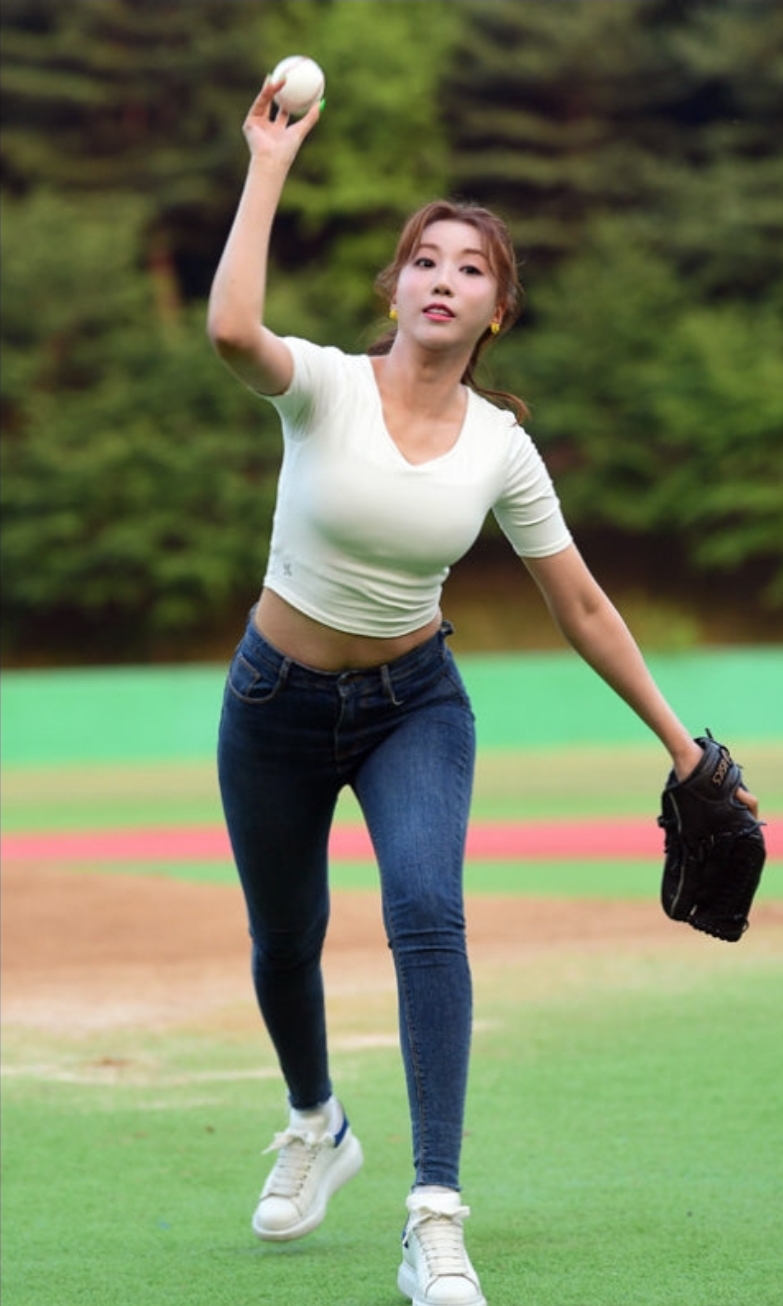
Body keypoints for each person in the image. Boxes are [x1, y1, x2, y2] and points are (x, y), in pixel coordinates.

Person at [207, 81, 757, 1306]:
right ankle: (315, 1120)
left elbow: (583, 605)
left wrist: (683, 748)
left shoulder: (501, 446)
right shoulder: (326, 387)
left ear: (496, 308)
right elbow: (234, 332)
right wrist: (267, 164)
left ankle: (434, 1215)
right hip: (274, 703)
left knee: (427, 911)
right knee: (285, 936)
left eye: (470, 268)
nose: (443, 279)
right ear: (395, 290)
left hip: (413, 704)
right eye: (425, 260)